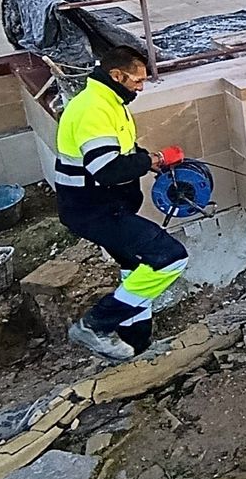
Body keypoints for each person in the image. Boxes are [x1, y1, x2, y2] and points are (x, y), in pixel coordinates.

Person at [54, 46, 187, 360]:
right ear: (116, 75)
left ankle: (135, 347)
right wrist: (152, 160)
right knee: (169, 258)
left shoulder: (110, 101)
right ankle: (95, 324)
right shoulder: (93, 110)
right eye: (137, 80)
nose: (141, 86)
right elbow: (108, 169)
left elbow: (122, 151)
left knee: (135, 271)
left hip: (108, 205)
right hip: (94, 209)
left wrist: (147, 161)